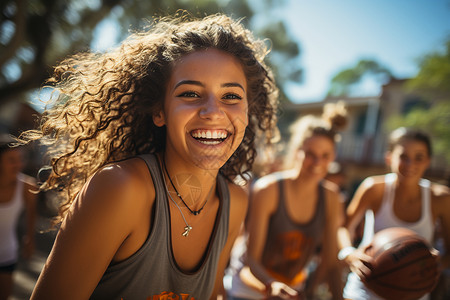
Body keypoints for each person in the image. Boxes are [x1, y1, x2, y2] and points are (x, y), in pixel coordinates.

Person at [20, 12, 279, 300]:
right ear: (160, 112)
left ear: (247, 111)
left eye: (231, 96)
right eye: (191, 94)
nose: (213, 111)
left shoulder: (235, 203)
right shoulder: (120, 188)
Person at [227, 102, 347, 299]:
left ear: (333, 157)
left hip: (291, 291)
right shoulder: (269, 190)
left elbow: (331, 262)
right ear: (297, 150)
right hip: (250, 288)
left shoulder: (332, 197)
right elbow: (252, 260)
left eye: (325, 156)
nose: (317, 163)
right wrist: (271, 285)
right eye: (310, 154)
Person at [337, 127, 450, 300]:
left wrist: (433, 263)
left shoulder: (440, 198)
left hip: (413, 292)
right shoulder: (373, 188)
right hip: (365, 288)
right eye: (403, 156)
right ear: (389, 158)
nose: (410, 164)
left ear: (428, 161)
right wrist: (349, 254)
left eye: (418, 157)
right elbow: (343, 228)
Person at [0, 134, 37, 300]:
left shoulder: (28, 187)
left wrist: (29, 239)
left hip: (7, 254)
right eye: (11, 159)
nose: (18, 164)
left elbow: (31, 216)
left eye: (20, 159)